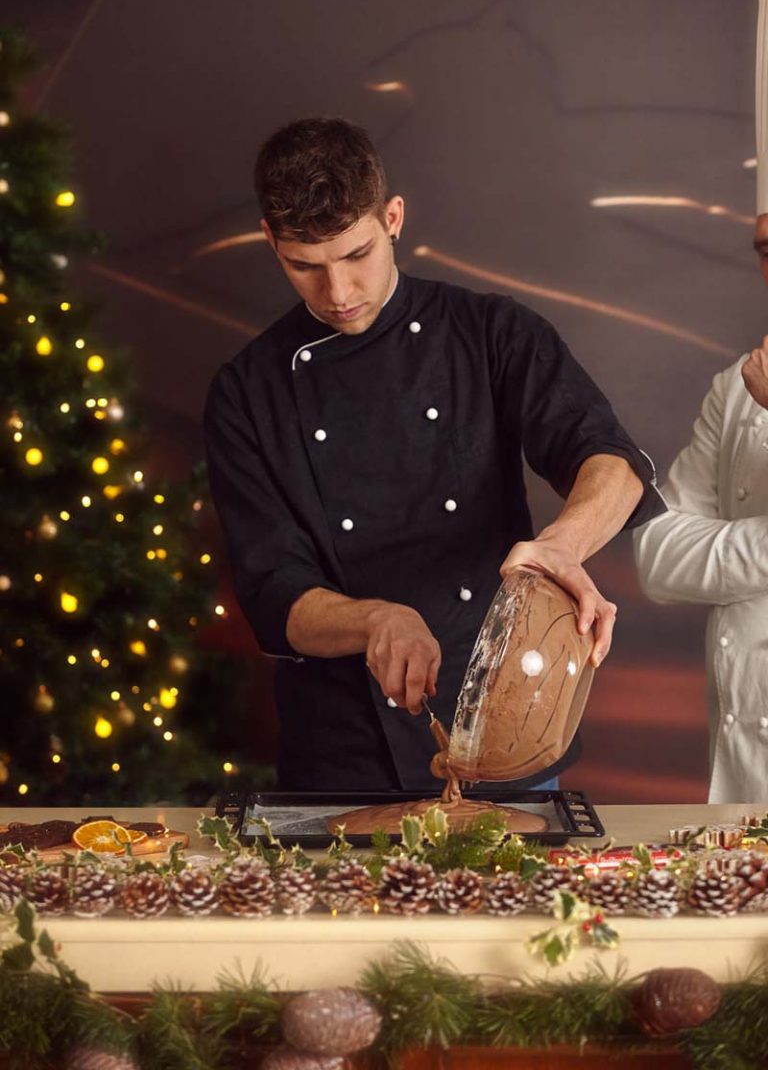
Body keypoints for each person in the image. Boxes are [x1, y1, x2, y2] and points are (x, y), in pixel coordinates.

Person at [204, 117, 663, 792]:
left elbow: (610, 460)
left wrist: (562, 546)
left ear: (392, 218)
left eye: (356, 254)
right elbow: (274, 594)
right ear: (271, 240)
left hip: (507, 725)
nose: (338, 292)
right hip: (342, 752)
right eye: (305, 265)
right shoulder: (247, 392)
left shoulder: (491, 334)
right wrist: (376, 619)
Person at [633, 0, 768, 804]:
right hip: (741, 795)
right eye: (766, 247)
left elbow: (699, 553)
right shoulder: (738, 384)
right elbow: (654, 558)